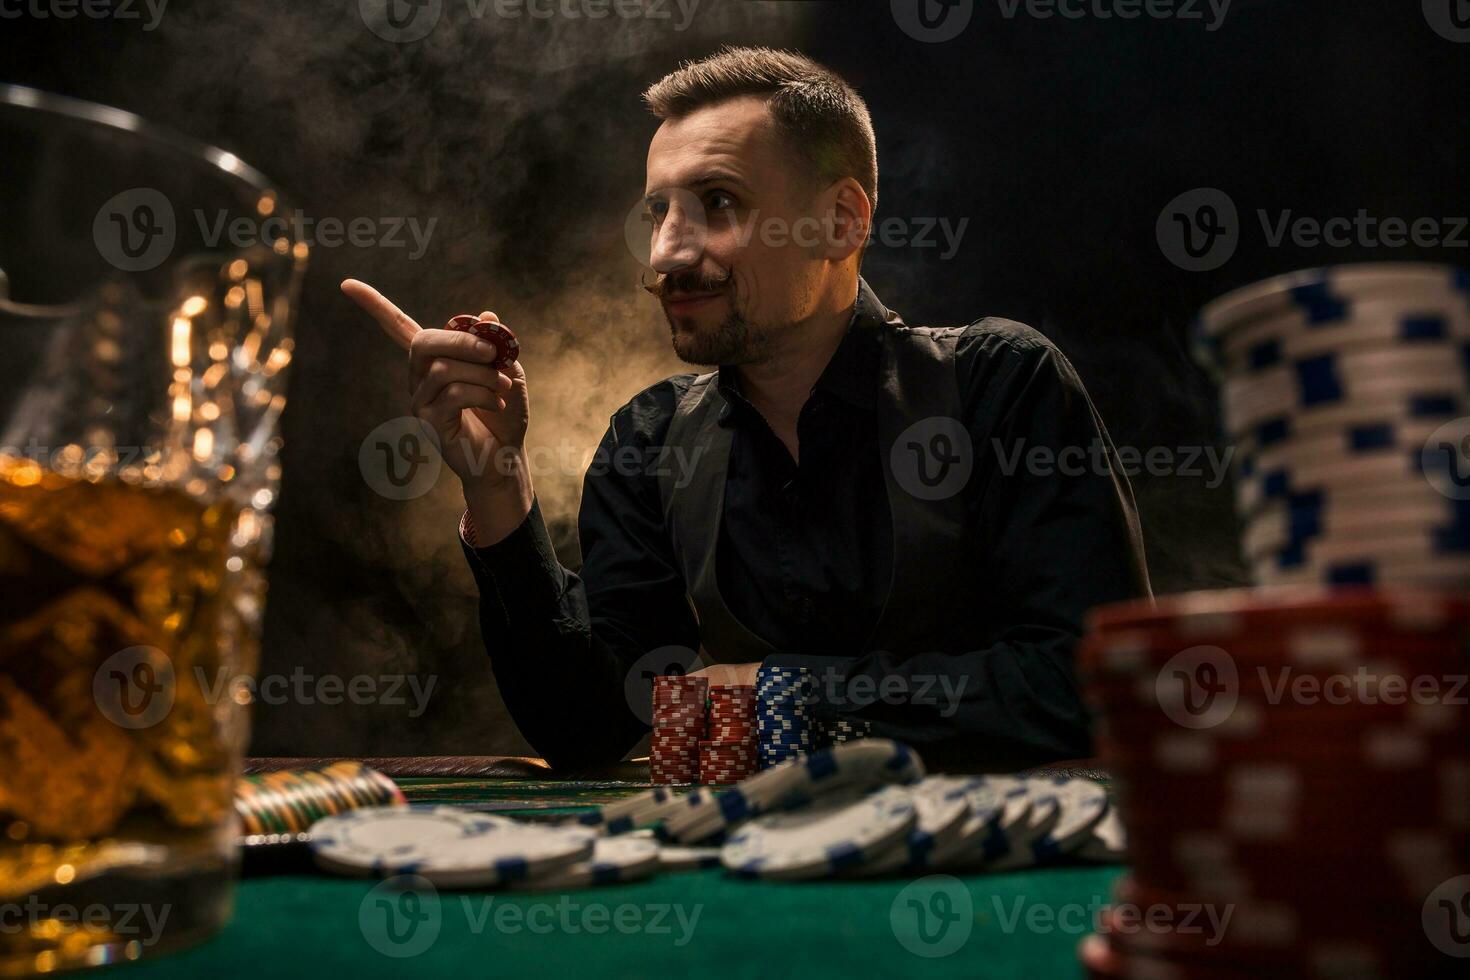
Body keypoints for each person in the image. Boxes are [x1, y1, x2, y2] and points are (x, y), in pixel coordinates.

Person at [343, 46, 1150, 772]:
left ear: (841, 221)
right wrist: (496, 482)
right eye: (658, 213)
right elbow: (586, 729)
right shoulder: (649, 440)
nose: (665, 255)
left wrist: (785, 696)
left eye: (718, 203)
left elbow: (1086, 683)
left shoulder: (1001, 384)